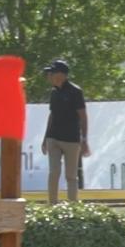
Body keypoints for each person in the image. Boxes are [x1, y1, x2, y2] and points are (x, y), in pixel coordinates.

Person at [41, 59, 88, 204]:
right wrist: (45, 138)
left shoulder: (75, 91)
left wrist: (84, 139)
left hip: (71, 139)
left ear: (62, 75)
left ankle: (72, 206)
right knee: (54, 172)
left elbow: (83, 116)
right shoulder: (54, 93)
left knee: (71, 176)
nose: (49, 76)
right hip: (53, 138)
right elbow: (52, 115)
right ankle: (52, 205)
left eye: (52, 72)